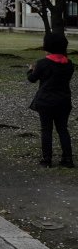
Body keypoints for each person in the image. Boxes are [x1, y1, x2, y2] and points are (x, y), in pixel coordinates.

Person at [27, 33, 74, 168]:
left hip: (46, 101)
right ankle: (67, 159)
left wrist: (30, 70)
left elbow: (32, 79)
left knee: (46, 130)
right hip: (64, 101)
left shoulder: (43, 63)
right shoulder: (69, 64)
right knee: (63, 129)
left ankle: (47, 159)